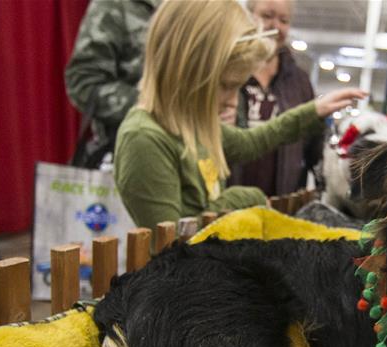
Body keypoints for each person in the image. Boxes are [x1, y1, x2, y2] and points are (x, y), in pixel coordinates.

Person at [113, 0, 365, 229]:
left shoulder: (194, 125)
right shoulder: (143, 140)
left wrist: (313, 111)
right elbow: (170, 247)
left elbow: (252, 141)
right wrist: (241, 199)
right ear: (188, 70)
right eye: (225, 86)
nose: (231, 101)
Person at [228, 0, 321, 196]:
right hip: (228, 199)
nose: (275, 26)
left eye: (284, 20)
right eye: (267, 16)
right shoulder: (228, 70)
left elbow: (314, 146)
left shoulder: (300, 81)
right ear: (248, 16)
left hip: (281, 202)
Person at [65, 0, 162, 168]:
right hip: (131, 157)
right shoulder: (115, 4)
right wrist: (153, 107)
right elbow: (84, 81)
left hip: (204, 157)